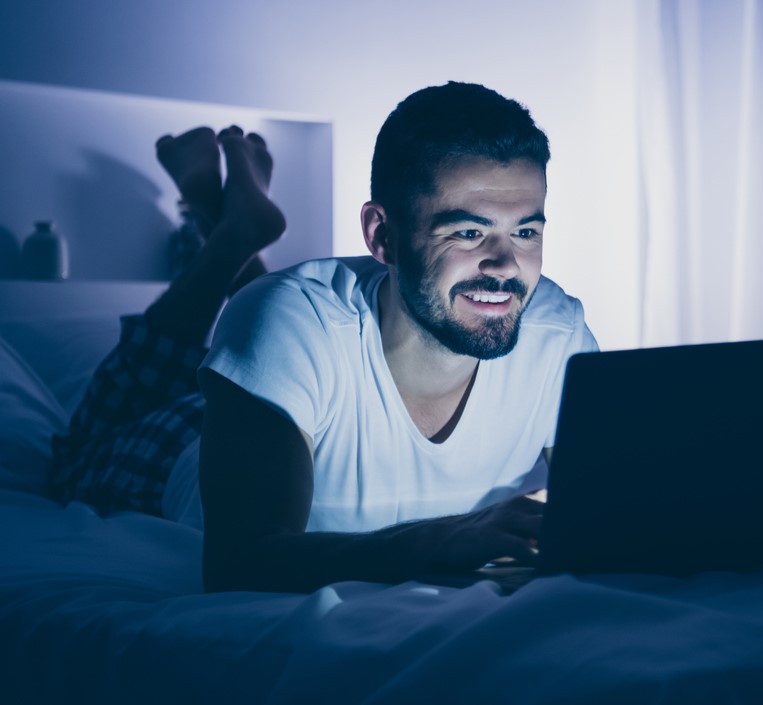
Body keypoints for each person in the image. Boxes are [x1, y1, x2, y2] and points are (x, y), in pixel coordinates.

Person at [49, 82, 598, 593]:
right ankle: (230, 237)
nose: (506, 265)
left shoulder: (556, 332)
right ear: (382, 235)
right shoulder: (290, 319)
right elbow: (240, 563)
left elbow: (610, 511)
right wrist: (443, 539)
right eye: (469, 232)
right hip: (183, 445)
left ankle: (223, 218)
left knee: (269, 322)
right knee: (85, 447)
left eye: (525, 231)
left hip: (289, 386)